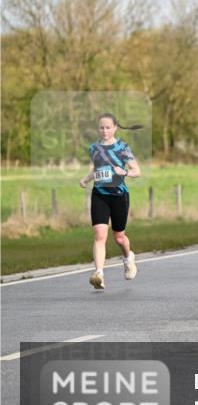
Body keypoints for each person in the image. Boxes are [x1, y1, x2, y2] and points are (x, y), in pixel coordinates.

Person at [78, 113, 142, 290]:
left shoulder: (122, 147)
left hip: (119, 195)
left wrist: (125, 172)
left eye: (108, 127)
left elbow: (137, 171)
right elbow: (96, 168)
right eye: (101, 127)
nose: (104, 131)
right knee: (99, 235)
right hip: (100, 195)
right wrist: (86, 179)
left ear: (115, 128)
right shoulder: (94, 148)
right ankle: (98, 274)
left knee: (119, 237)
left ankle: (128, 258)